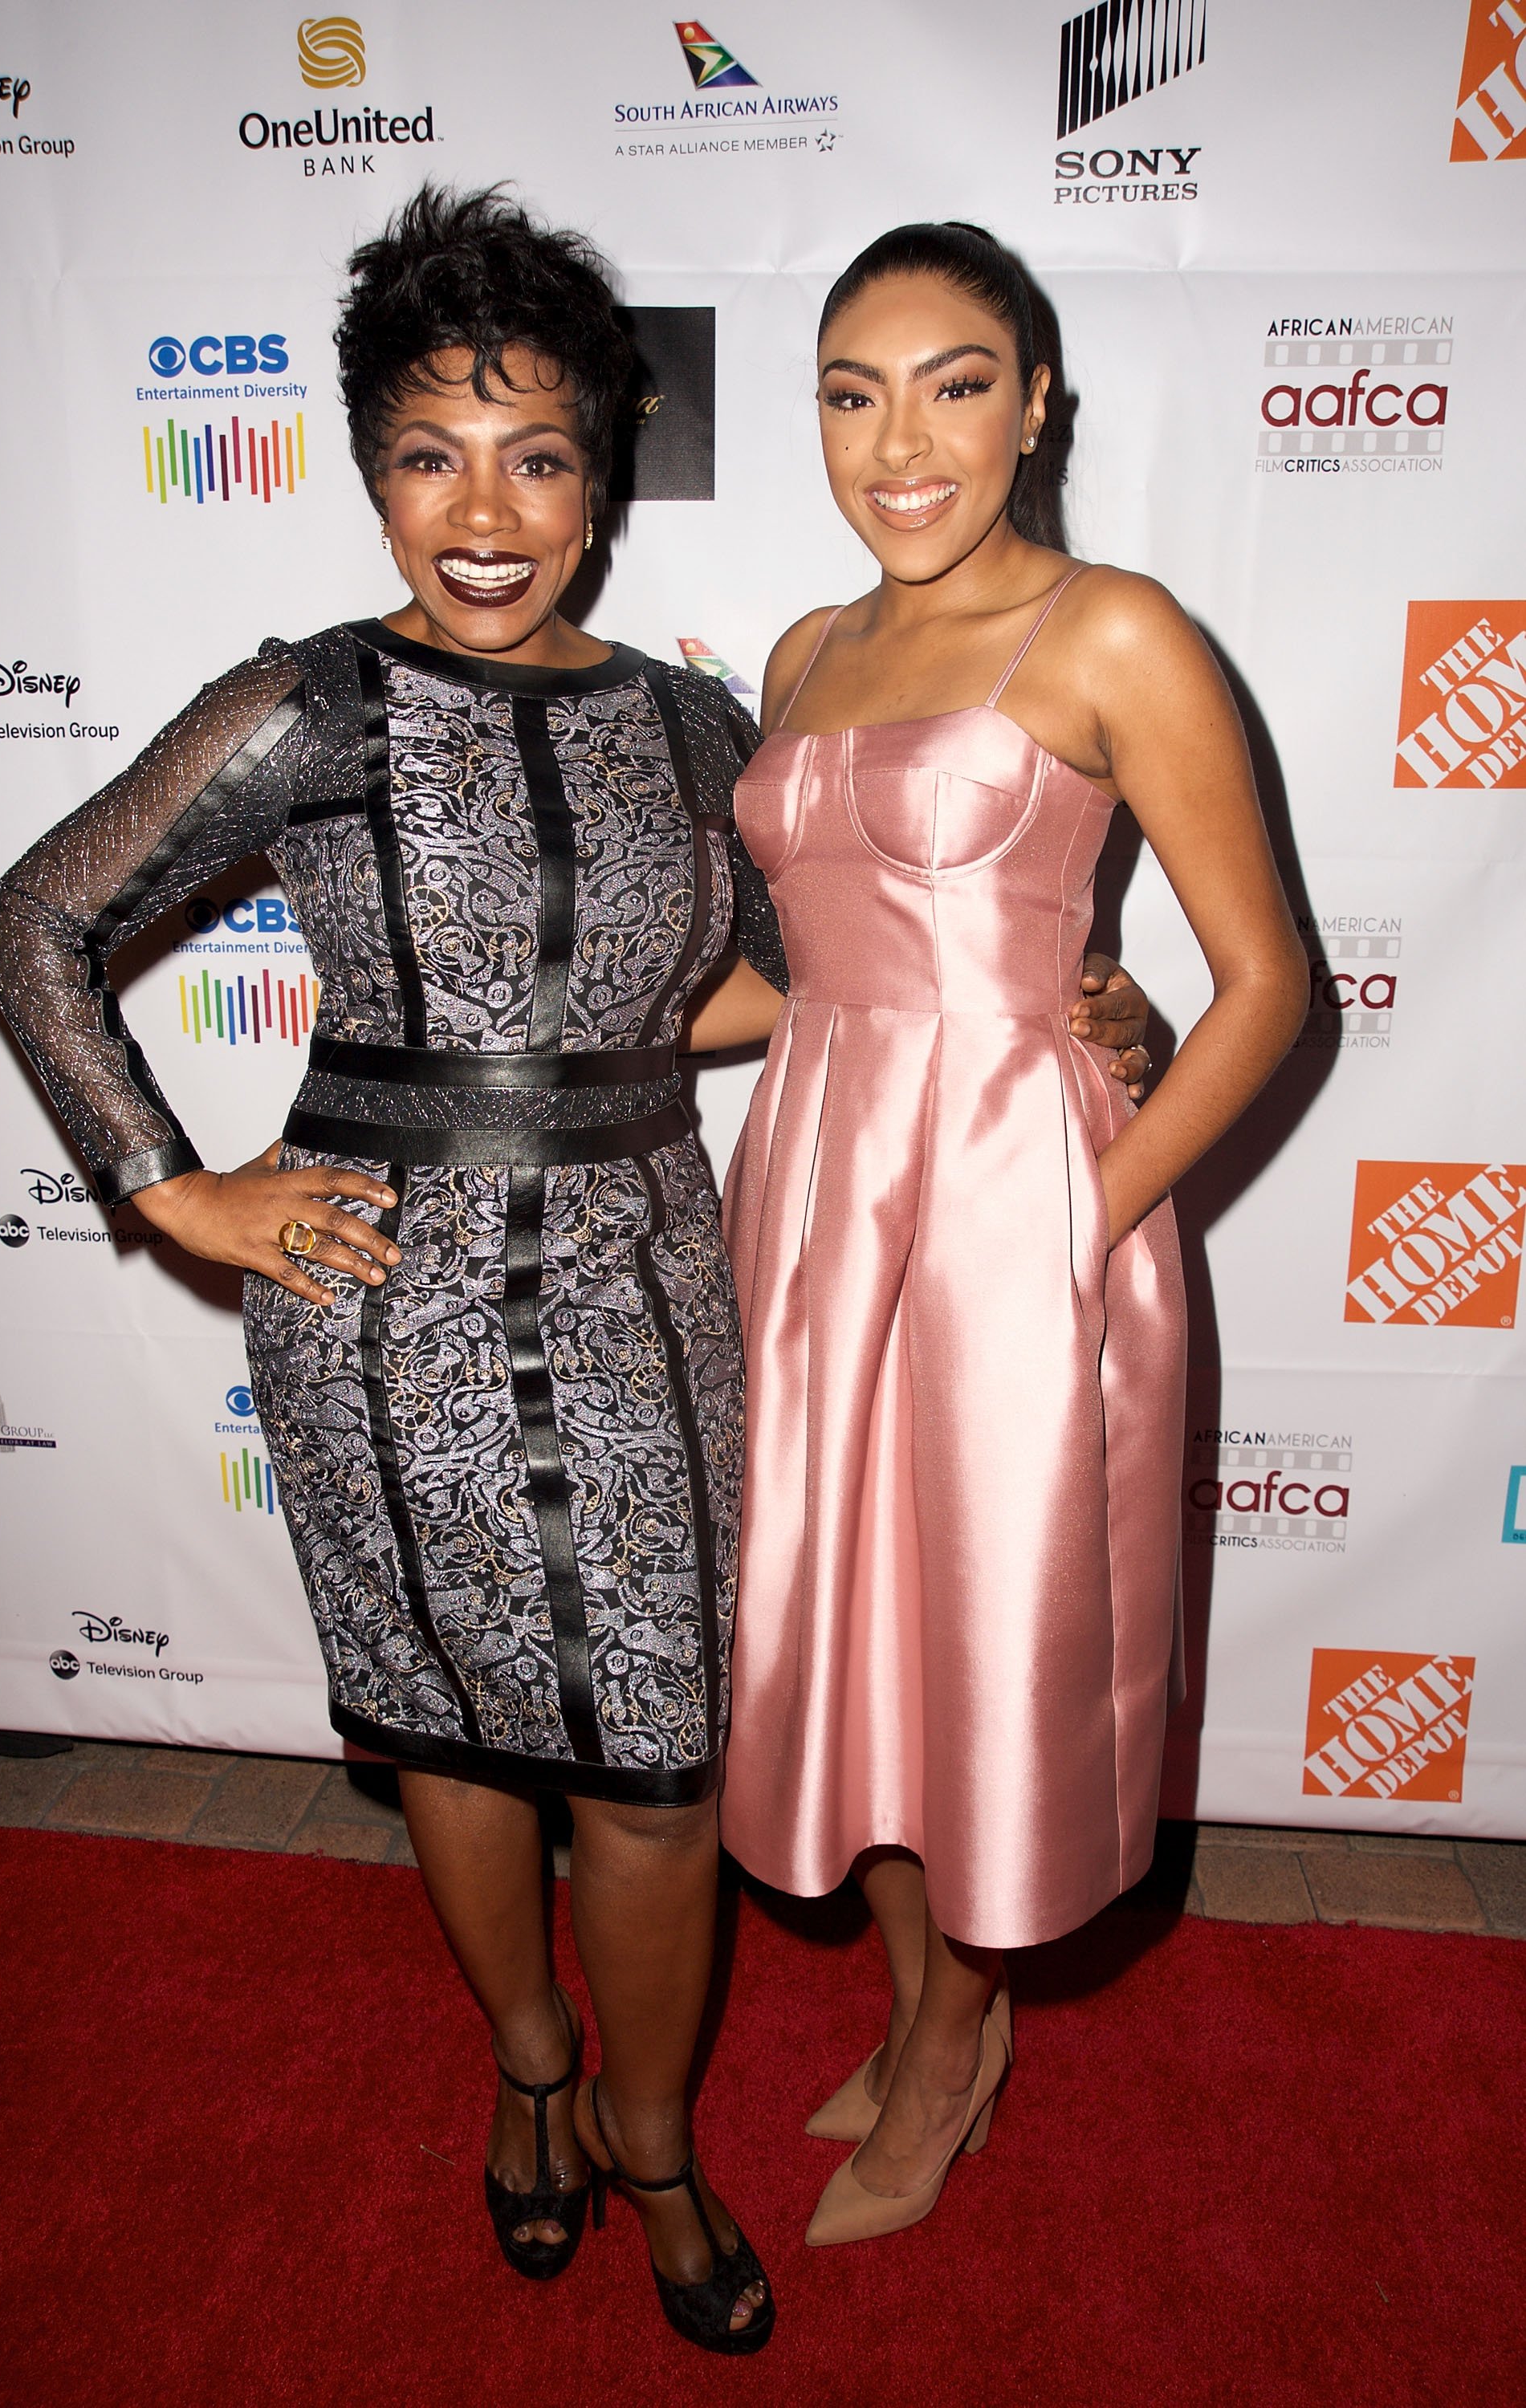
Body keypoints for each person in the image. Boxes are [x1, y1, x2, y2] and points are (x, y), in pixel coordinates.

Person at [0, 187, 1151, 2335]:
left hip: (647, 1286)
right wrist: (163, 1182)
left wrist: (1087, 1007)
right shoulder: (307, 705)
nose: (486, 512)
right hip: (379, 1302)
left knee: (654, 1771)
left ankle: (648, 2138)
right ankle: (527, 2077)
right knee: (453, 1735)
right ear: (372, 473)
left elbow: (820, 969)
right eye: (432, 454)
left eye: (536, 456)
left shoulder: (706, 730)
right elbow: (30, 923)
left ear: (604, 477)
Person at [693, 222, 1308, 2247]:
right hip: (809, 1196)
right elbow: (809, 974)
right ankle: (909, 2002)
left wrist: (1083, 1218)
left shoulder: (1112, 630)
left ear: (1034, 403)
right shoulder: (801, 655)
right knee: (852, 1644)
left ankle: (959, 2046)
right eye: (850, 392)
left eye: (953, 383)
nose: (900, 441)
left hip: (1018, 1210)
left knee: (983, 1652)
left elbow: (1265, 987)